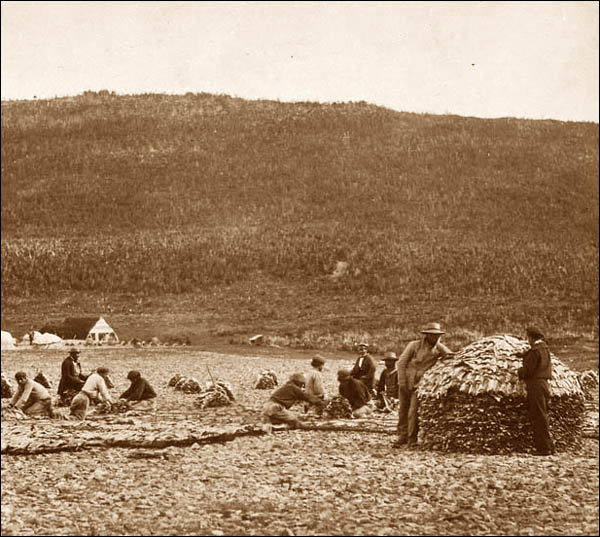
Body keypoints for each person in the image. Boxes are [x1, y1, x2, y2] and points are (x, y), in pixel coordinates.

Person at [393, 322, 454, 448]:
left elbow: (451, 356)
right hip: (406, 379)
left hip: (420, 384)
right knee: (403, 410)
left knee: (413, 411)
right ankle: (402, 437)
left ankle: (412, 439)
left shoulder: (439, 347)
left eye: (438, 336)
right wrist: (402, 382)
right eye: (433, 335)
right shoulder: (413, 346)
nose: (436, 338)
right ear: (427, 335)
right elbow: (401, 363)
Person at [516, 326, 555, 456]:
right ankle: (550, 446)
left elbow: (528, 371)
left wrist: (518, 371)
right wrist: (524, 355)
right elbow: (536, 358)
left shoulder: (535, 351)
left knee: (538, 416)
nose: (528, 341)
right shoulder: (544, 348)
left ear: (532, 338)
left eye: (528, 338)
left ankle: (543, 449)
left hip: (535, 385)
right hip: (544, 384)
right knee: (543, 414)